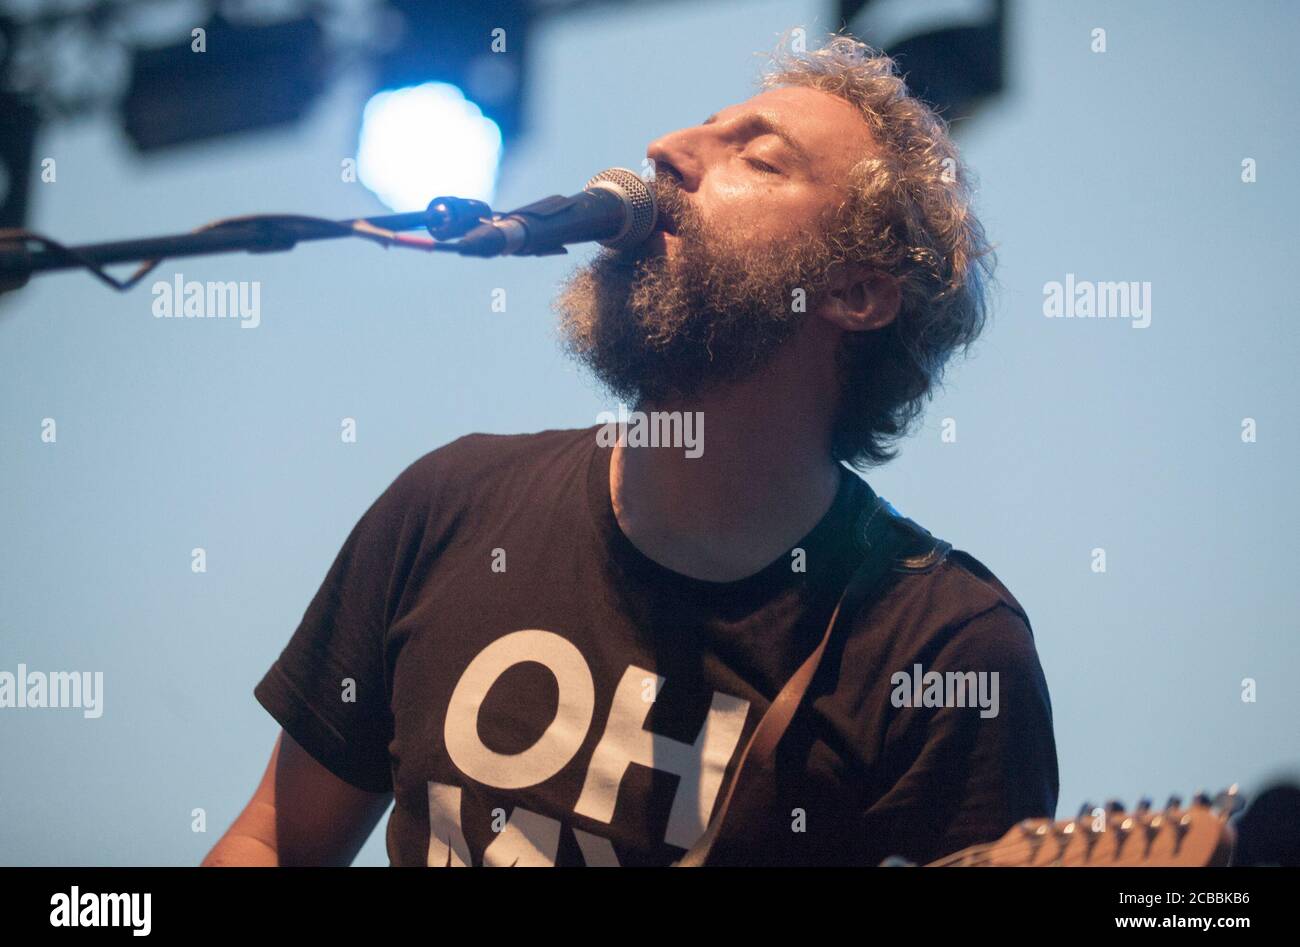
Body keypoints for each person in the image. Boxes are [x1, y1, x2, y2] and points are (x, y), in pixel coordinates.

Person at [203, 33, 1058, 867]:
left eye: (758, 159)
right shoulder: (451, 502)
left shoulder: (943, 651)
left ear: (859, 292)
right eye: (700, 128)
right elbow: (274, 840)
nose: (666, 150)